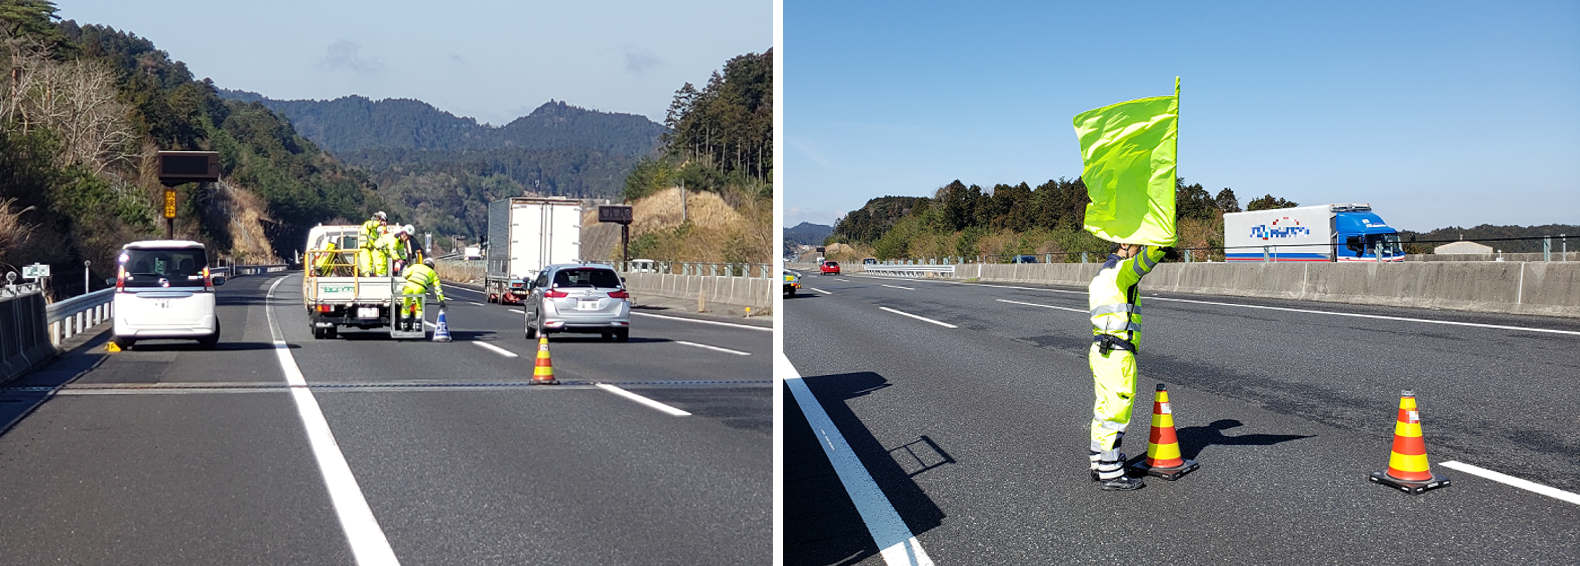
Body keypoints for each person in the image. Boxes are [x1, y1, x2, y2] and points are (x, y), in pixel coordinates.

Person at [1087, 242, 1166, 491]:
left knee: (1102, 411)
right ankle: (1111, 473)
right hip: (1118, 353)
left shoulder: (1101, 274)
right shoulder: (1121, 271)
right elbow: (1145, 263)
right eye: (1137, 245)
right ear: (1124, 244)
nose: (1140, 249)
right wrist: (1163, 241)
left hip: (1100, 350)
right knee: (1116, 413)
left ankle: (1099, 463)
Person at [400, 258, 446, 331]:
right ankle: (417, 324)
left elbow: (404, 274)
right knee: (419, 307)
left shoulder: (416, 266)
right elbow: (437, 288)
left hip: (409, 286)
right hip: (420, 288)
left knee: (406, 305)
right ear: (432, 265)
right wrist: (441, 300)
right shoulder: (433, 273)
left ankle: (404, 323)